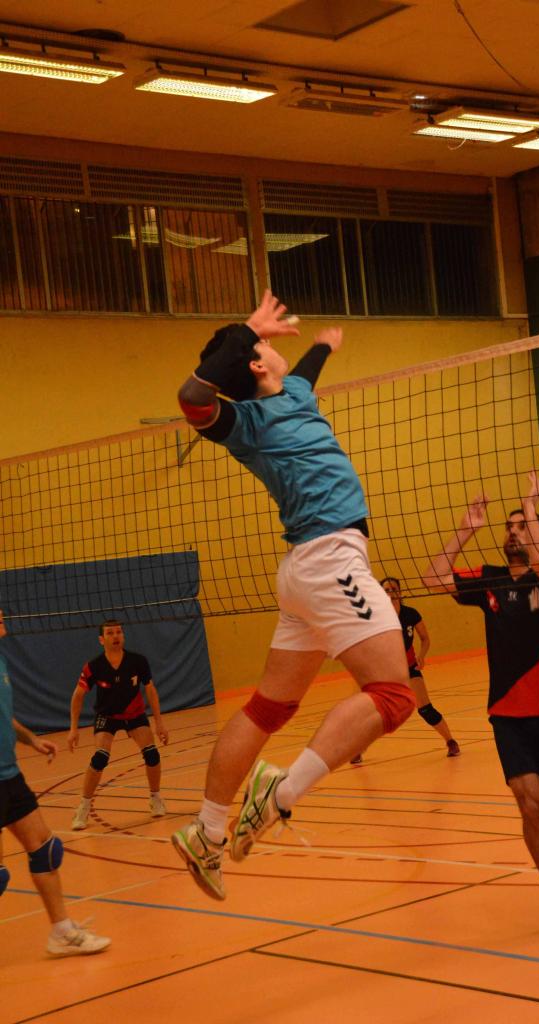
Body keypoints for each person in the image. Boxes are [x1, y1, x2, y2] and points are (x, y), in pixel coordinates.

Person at [171, 291, 415, 901]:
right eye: (264, 346)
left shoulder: (297, 393)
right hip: (330, 558)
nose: (275, 348)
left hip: (308, 568)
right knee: (393, 695)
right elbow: (192, 399)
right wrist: (243, 330)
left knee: (268, 709)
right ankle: (279, 794)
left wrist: (322, 347)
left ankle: (206, 831)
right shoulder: (246, 423)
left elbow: (302, 375)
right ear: (255, 363)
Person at [422, 473, 539, 942]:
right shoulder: (489, 579)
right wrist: (466, 529)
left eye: (522, 526)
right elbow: (433, 578)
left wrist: (533, 508)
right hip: (510, 717)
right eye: (509, 527)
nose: (513, 532)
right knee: (532, 809)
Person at [0, 609, 110, 956]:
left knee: (46, 849)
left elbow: (4, 716)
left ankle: (61, 932)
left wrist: (31, 739)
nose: (2, 613)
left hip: (9, 774)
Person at [68, 620, 169, 830]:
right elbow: (78, 696)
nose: (116, 636)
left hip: (134, 714)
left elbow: (150, 690)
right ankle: (83, 807)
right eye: (110, 633)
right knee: (100, 758)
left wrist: (159, 723)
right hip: (107, 716)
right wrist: (73, 729)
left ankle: (155, 798)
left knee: (152, 754)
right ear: (101, 639)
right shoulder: (94, 666)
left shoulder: (138, 661)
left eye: (119, 632)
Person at [381, 577, 460, 756]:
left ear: (400, 592)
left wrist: (422, 656)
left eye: (393, 589)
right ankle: (358, 750)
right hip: (387, 670)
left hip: (409, 666)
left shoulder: (410, 614)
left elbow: (425, 638)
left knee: (425, 709)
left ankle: (451, 741)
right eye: (386, 590)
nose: (391, 593)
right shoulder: (377, 617)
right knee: (377, 711)